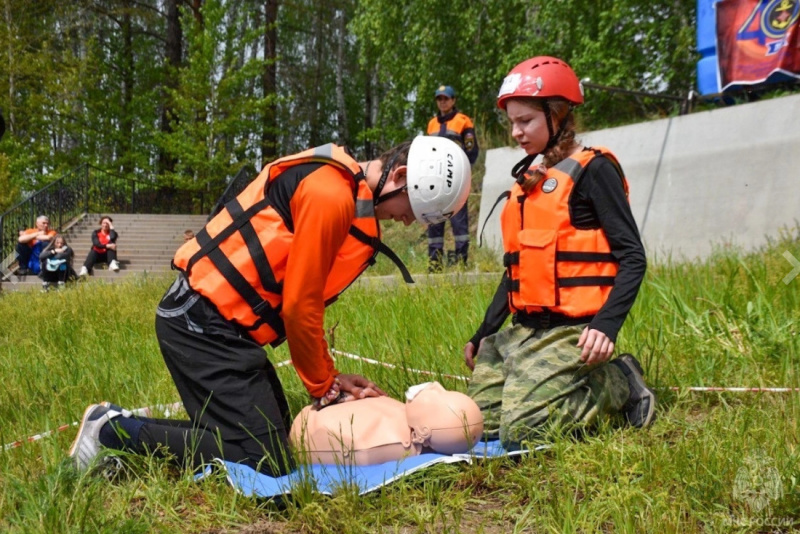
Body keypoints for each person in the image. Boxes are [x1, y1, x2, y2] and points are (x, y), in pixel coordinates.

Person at [69, 136, 472, 476]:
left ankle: (124, 431)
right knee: (264, 459)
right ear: (399, 176)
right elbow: (300, 305)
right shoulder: (330, 194)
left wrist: (329, 376)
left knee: (270, 436)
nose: (404, 223)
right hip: (200, 322)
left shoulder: (343, 190)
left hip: (226, 330)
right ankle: (110, 433)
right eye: (410, 210)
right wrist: (324, 387)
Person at [463, 57, 654, 451]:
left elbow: (633, 256)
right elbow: (514, 271)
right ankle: (534, 386)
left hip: (575, 332)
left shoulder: (594, 170)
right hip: (525, 330)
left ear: (559, 115)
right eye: (511, 122)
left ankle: (621, 381)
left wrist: (606, 326)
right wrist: (484, 333)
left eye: (526, 121)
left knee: (524, 431)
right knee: (475, 425)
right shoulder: (531, 181)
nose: (516, 132)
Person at [290, 381, 483, 465]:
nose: (435, 388)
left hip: (305, 425)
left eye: (437, 399)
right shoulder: (406, 417)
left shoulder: (381, 443)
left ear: (423, 433)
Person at [426, 85, 479, 271]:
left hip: (456, 180)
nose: (442, 102)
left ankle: (461, 263)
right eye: (439, 99)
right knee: (434, 220)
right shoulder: (432, 124)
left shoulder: (463, 121)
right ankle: (435, 263)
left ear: (453, 100)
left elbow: (472, 151)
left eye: (446, 98)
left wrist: (462, 173)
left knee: (458, 221)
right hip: (435, 181)